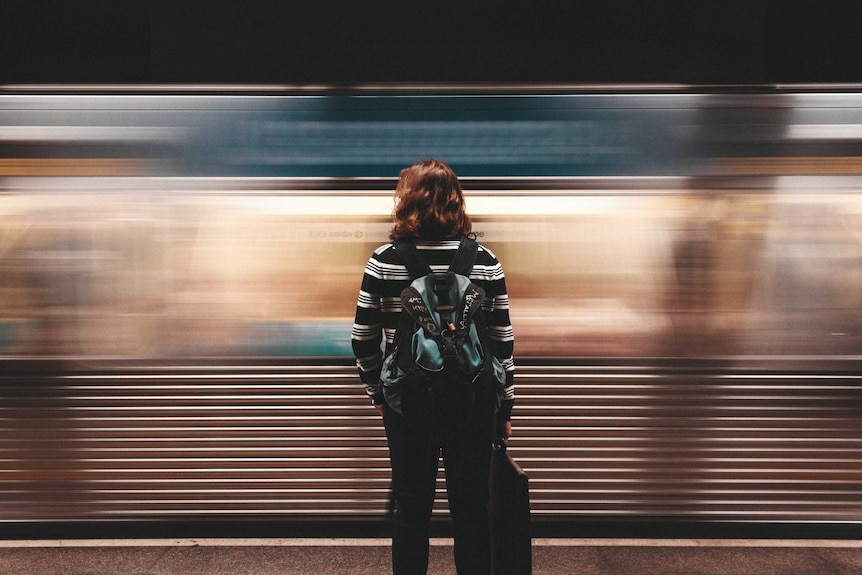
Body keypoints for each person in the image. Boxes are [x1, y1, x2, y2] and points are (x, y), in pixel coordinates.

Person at [352, 159, 515, 575]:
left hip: (407, 407)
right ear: (457, 203)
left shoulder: (383, 261)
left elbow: (362, 339)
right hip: (473, 405)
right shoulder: (485, 261)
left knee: (411, 509)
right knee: (471, 509)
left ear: (405, 202)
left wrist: (379, 395)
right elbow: (502, 343)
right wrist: (505, 408)